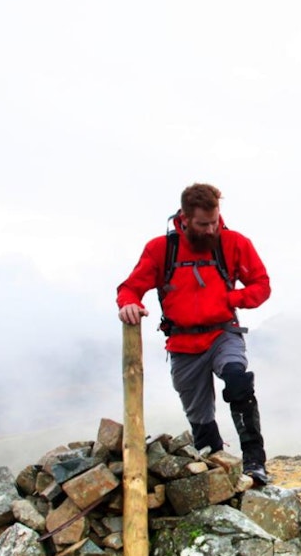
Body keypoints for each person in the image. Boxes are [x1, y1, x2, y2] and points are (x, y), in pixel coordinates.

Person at [116, 183, 272, 486]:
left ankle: (255, 463)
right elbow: (129, 288)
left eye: (215, 221)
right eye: (203, 224)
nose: (211, 229)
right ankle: (216, 468)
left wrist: (231, 300)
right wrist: (129, 305)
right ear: (184, 219)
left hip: (223, 333)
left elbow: (261, 285)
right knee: (200, 418)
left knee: (239, 382)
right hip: (182, 344)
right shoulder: (161, 249)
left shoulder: (234, 243)